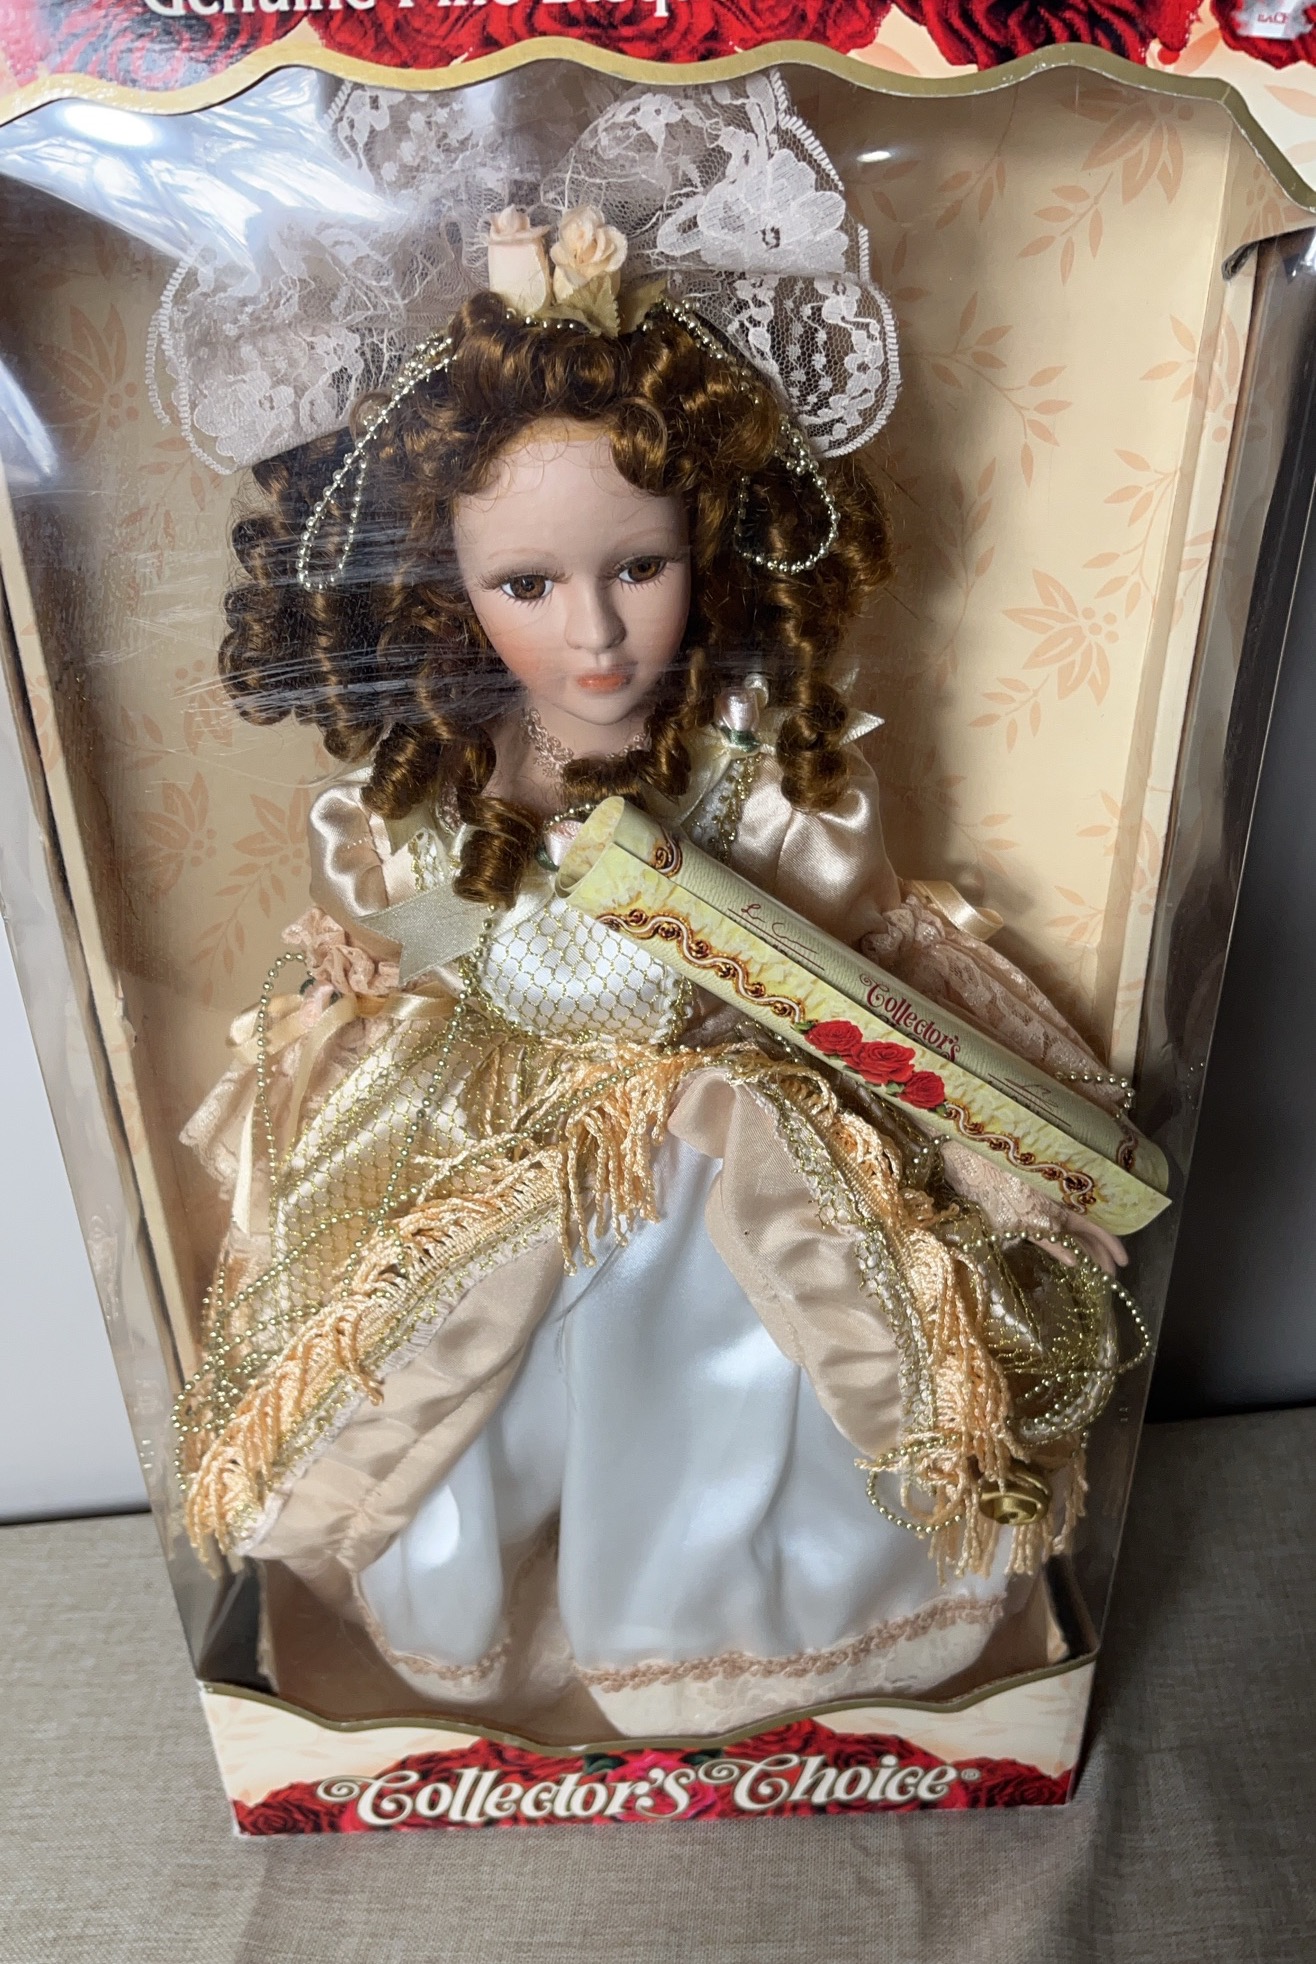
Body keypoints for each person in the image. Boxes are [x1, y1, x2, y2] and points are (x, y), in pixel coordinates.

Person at [177, 166, 1130, 1741]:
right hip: (499, 1150)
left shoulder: (757, 769)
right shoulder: (427, 797)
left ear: (715, 546)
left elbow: (860, 958)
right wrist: (358, 983)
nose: (597, 634)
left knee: (722, 1306)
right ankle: (492, 1617)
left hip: (726, 1154)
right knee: (475, 1376)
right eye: (527, 585)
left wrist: (988, 1126)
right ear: (447, 590)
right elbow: (415, 959)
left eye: (639, 566)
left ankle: (742, 1621)